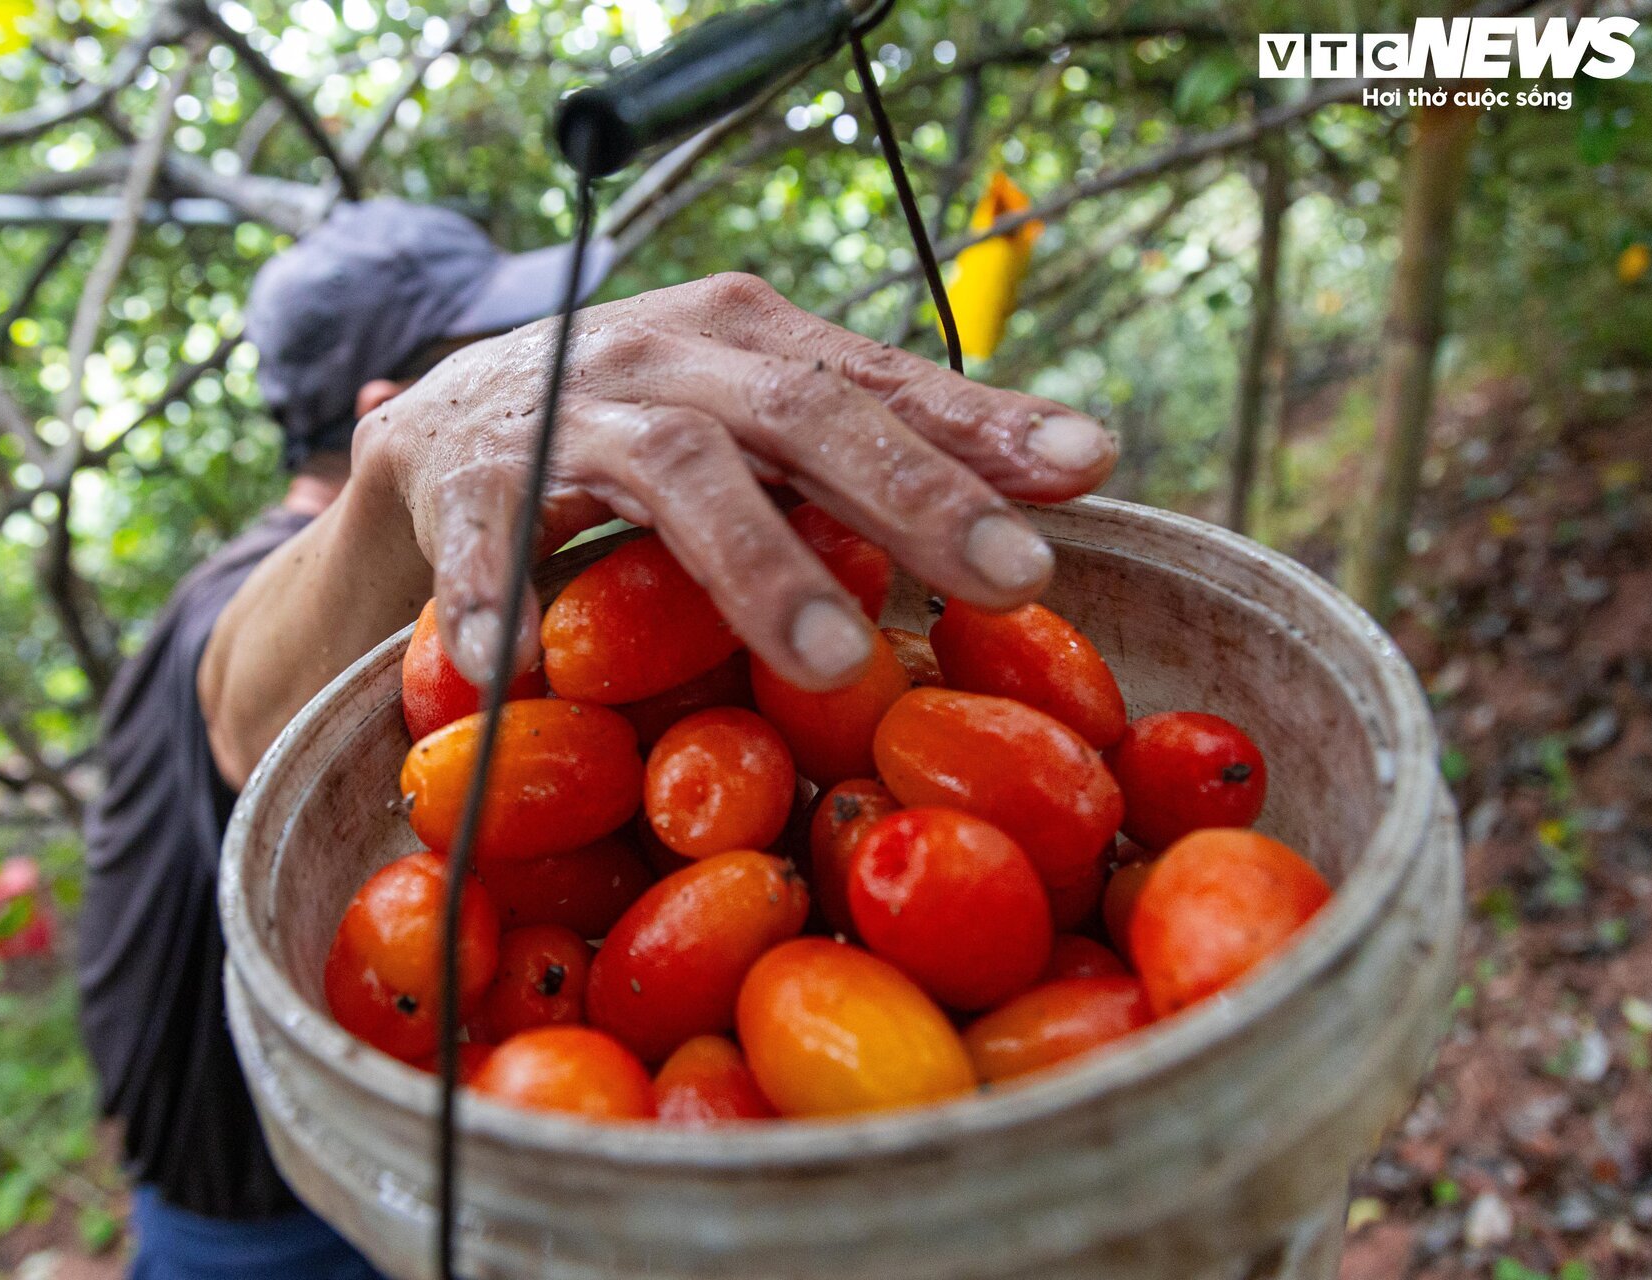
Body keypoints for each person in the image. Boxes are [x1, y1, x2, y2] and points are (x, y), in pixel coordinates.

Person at [80, 197, 1116, 1279]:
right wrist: (396, 477)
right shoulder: (233, 594)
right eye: (502, 357)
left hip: (474, 1160)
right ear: (394, 403)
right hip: (278, 1233)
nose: (559, 372)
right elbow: (245, 707)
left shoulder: (515, 600)